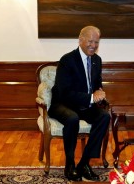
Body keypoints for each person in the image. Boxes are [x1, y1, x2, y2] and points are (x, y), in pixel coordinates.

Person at [48, 25, 111, 181]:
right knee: (72, 118)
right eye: (90, 41)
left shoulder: (97, 60)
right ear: (80, 40)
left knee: (104, 117)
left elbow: (96, 84)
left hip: (83, 104)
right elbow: (64, 93)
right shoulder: (67, 60)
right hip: (62, 104)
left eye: (96, 42)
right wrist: (91, 98)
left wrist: (100, 93)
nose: (93, 45)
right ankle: (69, 164)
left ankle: (84, 163)